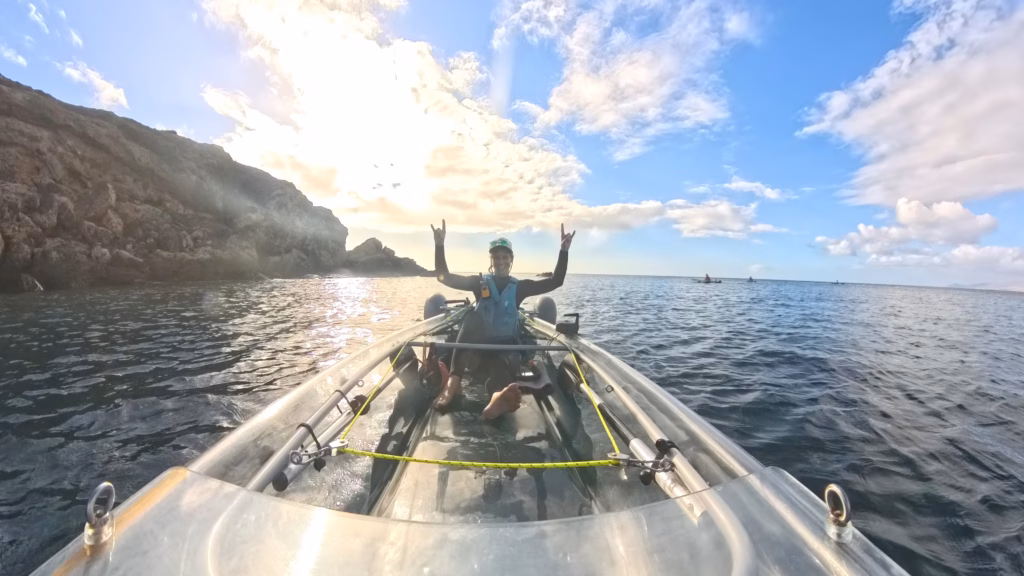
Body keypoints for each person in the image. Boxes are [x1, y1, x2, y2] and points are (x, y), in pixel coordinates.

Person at [429, 219, 575, 419]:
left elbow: (555, 281)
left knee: (501, 369)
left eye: (505, 257)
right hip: (477, 351)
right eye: (496, 257)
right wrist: (439, 245)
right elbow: (443, 277)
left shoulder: (521, 287)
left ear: (511, 259)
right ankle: (453, 382)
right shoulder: (479, 283)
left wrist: (564, 250)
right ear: (491, 260)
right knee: (471, 317)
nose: (500, 261)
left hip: (505, 349)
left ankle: (496, 400)